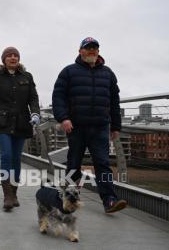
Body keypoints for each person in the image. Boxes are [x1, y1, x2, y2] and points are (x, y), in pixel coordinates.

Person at [52, 37, 127, 214]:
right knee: (74, 163)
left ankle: (109, 200)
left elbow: (114, 102)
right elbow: (58, 97)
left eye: (95, 48)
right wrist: (63, 118)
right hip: (76, 126)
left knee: (103, 164)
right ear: (80, 51)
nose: (92, 51)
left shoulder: (108, 73)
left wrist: (116, 126)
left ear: (98, 52)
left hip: (100, 127)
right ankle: (69, 198)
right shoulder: (68, 72)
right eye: (88, 48)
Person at [0, 46, 40, 211]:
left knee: (16, 159)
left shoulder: (27, 77)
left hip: (21, 122)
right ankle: (7, 195)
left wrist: (35, 113)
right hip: (2, 123)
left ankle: (14, 192)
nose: (13, 58)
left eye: (16, 56)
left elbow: (33, 98)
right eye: (9, 56)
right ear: (4, 59)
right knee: (6, 156)